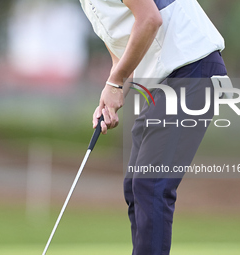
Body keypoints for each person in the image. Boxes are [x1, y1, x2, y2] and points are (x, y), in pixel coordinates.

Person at [79, 0, 227, 254]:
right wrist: (109, 100)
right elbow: (124, 61)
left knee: (150, 183)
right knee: (135, 187)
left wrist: (114, 83)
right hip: (163, 83)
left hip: (192, 67)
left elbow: (150, 19)